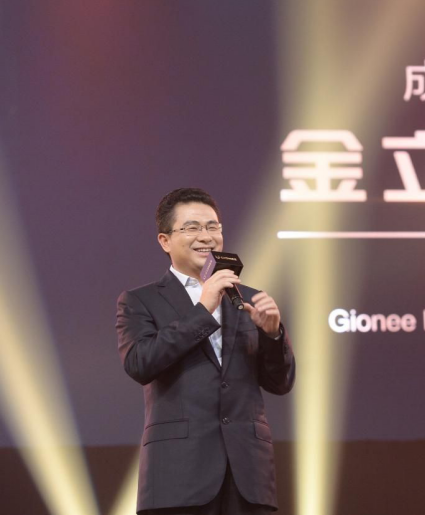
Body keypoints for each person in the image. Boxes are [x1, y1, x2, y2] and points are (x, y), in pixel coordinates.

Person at [116, 188, 295, 515]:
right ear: (165, 241)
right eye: (192, 227)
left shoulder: (248, 298)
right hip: (177, 478)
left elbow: (280, 383)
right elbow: (140, 362)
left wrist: (272, 334)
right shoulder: (141, 301)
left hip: (248, 478)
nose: (206, 236)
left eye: (213, 227)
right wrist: (203, 308)